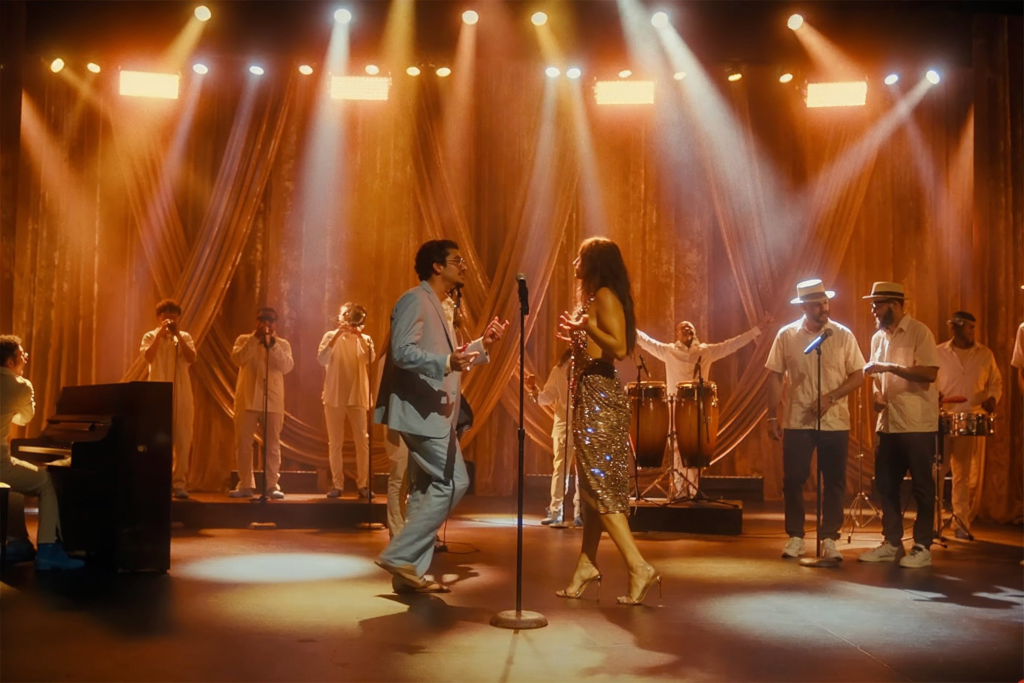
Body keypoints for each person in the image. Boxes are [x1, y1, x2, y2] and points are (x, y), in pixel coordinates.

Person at [373, 240, 508, 593]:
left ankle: (408, 573)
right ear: (437, 266)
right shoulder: (414, 300)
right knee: (453, 482)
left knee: (424, 490)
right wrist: (447, 361)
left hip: (436, 412)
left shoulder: (438, 303)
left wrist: (482, 345)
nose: (463, 266)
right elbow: (402, 352)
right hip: (421, 412)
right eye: (456, 260)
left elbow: (448, 356)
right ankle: (399, 553)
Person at [556, 237, 660, 605]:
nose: (574, 262)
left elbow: (617, 348)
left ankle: (638, 566)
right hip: (590, 395)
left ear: (595, 263)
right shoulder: (595, 298)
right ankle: (586, 564)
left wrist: (585, 328)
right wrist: (578, 333)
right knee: (590, 485)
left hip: (601, 398)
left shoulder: (604, 295)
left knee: (600, 487)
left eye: (580, 257)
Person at [766, 279, 865, 561]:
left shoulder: (842, 335)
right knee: (793, 479)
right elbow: (775, 376)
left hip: (835, 421)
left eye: (825, 302)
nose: (824, 308)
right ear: (804, 307)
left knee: (834, 481)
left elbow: (858, 375)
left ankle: (829, 538)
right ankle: (796, 536)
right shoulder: (787, 335)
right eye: (818, 304)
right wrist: (771, 415)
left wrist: (831, 397)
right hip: (797, 420)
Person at [637, 314, 772, 494]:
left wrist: (758, 329)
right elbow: (646, 341)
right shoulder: (669, 351)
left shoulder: (705, 351)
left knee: (694, 448)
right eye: (683, 327)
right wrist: (627, 325)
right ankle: (678, 491)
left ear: (695, 332)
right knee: (676, 448)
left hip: (697, 408)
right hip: (675, 406)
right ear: (677, 333)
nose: (687, 329)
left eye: (690, 327)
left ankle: (692, 491)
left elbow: (731, 344)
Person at [859, 282, 940, 568]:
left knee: (922, 487)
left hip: (917, 423)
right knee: (885, 484)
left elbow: (929, 373)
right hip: (889, 423)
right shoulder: (877, 338)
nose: (873, 309)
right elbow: (876, 378)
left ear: (894, 305)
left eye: (877, 304)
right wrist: (877, 395)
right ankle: (892, 542)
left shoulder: (920, 332)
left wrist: (890, 367)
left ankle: (922, 546)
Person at [0, 335, 83, 570]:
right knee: (46, 481)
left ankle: (18, 543)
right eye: (21, 354)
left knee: (15, 483)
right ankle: (48, 551)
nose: (25, 357)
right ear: (10, 362)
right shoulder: (20, 385)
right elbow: (24, 418)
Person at [935, 311, 1002, 537]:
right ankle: (934, 521)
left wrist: (992, 398)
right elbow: (930, 382)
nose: (972, 331)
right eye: (968, 327)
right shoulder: (938, 352)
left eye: (973, 327)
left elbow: (996, 383)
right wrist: (934, 397)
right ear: (955, 327)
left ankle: (961, 522)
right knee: (938, 471)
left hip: (971, 418)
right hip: (943, 417)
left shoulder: (985, 354)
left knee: (963, 474)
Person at [229, 307, 295, 499]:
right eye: (263, 320)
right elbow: (237, 359)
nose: (266, 324)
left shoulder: (282, 344)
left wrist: (272, 346)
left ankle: (271, 485)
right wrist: (254, 339)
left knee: (272, 445)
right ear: (256, 321)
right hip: (247, 398)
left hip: (272, 401)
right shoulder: (244, 340)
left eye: (270, 321)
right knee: (243, 443)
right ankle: (245, 484)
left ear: (275, 324)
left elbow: (287, 366)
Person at [140, 299, 197, 499]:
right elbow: (148, 357)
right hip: (157, 392)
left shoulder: (185, 337)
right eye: (166, 316)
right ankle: (157, 482)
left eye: (174, 316)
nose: (170, 319)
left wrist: (177, 335)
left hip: (181, 392)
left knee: (183, 438)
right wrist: (160, 334)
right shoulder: (150, 336)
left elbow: (191, 358)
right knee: (157, 440)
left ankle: (179, 483)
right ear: (159, 318)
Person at [318, 303, 376, 499]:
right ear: (340, 317)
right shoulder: (329, 336)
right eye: (346, 315)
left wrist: (358, 335)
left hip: (357, 396)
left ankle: (363, 484)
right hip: (334, 396)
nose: (350, 319)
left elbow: (370, 358)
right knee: (335, 442)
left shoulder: (365, 339)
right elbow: (322, 359)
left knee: (362, 441)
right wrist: (337, 335)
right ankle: (337, 484)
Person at [525, 348, 581, 528]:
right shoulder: (559, 371)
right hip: (564, 428)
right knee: (560, 471)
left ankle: (580, 512)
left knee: (583, 474)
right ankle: (556, 511)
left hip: (584, 429)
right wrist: (533, 389)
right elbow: (547, 397)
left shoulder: (588, 369)